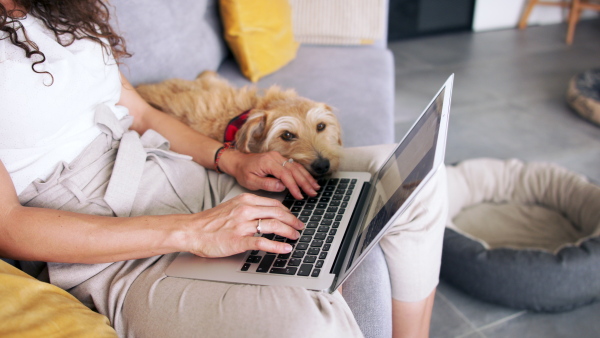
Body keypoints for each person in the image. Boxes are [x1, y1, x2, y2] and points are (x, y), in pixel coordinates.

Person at [0, 1, 448, 337]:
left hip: (169, 165)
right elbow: (9, 225)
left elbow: (140, 112)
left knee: (413, 180)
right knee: (310, 326)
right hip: (100, 241)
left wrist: (231, 158)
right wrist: (191, 232)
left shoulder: (58, 8)